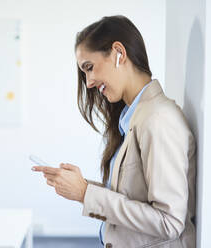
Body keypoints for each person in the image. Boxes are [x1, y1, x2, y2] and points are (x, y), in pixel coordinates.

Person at [32, 15, 196, 248]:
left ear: (119, 52)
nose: (88, 82)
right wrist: (81, 187)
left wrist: (85, 193)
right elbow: (134, 201)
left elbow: (169, 222)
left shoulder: (158, 119)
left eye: (89, 68)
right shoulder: (134, 118)